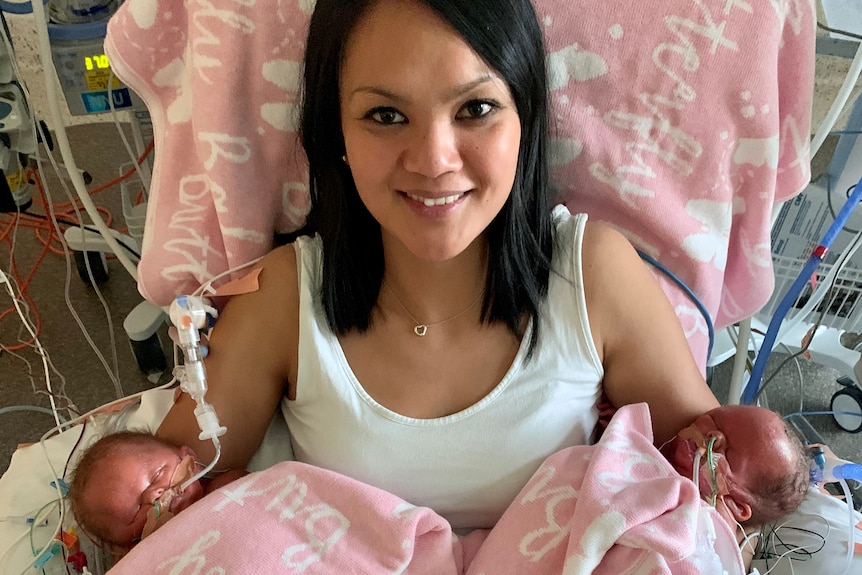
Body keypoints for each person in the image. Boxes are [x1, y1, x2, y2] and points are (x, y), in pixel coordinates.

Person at [157, 0, 719, 532]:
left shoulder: (594, 275)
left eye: (476, 109)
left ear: (525, 119)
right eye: (386, 115)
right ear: (338, 134)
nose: (433, 160)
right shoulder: (283, 298)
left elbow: (726, 476)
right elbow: (151, 498)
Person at [68, 431, 245, 552]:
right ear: (131, 547)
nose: (154, 497)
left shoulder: (229, 485)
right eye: (135, 514)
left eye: (157, 475)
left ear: (190, 460)